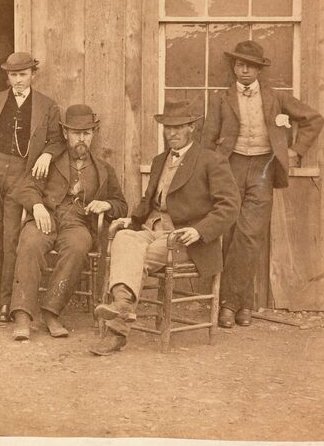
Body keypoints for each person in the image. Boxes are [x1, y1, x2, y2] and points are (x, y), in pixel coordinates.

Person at [90, 99, 239, 355]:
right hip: (153, 230)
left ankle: (117, 330)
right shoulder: (160, 160)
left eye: (179, 127)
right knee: (125, 237)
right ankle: (124, 308)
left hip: (185, 239)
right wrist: (132, 220)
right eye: (168, 128)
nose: (172, 133)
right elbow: (150, 201)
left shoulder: (210, 160)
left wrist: (200, 230)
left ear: (192, 127)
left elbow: (230, 205)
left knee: (134, 258)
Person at [202, 40, 323, 328]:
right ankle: (243, 304)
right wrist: (205, 173)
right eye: (239, 64)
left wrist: (295, 151)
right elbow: (206, 139)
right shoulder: (221, 100)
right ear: (233, 67)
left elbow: (313, 119)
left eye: (250, 65)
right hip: (229, 168)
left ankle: (228, 305)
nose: (244, 70)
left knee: (250, 234)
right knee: (230, 233)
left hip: (263, 170)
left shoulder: (275, 98)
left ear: (259, 69)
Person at [0, 52, 66, 322]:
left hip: (22, 173)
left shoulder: (47, 106)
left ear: (33, 75)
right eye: (13, 75)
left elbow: (57, 140)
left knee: (11, 236)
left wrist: (46, 155)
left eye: (22, 75)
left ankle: (8, 299)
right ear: (7, 76)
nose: (18, 81)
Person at [9, 104, 127, 340]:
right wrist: (37, 205)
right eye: (76, 133)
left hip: (77, 223)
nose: (81, 139)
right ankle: (22, 315)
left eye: (86, 133)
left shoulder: (103, 169)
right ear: (65, 134)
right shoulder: (49, 161)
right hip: (46, 218)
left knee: (78, 246)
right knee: (30, 242)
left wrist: (107, 205)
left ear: (93, 134)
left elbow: (121, 204)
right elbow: (25, 188)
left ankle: (51, 312)